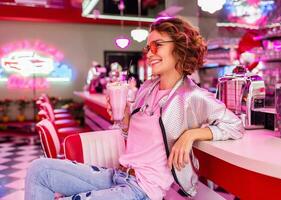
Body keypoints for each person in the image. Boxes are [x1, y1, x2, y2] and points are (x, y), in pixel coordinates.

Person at [25, 17, 244, 200]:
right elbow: (135, 136)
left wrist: (191, 134)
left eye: (157, 45)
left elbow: (234, 125)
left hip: (141, 190)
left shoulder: (192, 96)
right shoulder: (148, 87)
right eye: (148, 47)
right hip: (119, 175)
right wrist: (126, 119)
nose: (149, 53)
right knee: (39, 170)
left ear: (180, 46)